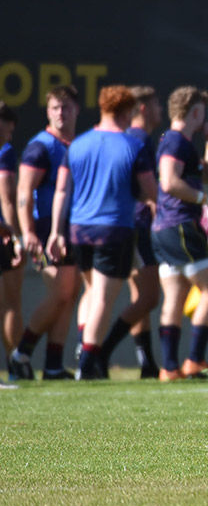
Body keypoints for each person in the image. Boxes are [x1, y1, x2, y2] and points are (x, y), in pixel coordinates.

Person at [48, 85, 157, 380]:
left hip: (79, 229)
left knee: (92, 292)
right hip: (113, 229)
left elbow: (62, 191)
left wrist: (56, 231)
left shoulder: (78, 144)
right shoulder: (132, 146)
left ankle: (84, 351)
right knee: (103, 300)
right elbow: (150, 191)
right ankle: (88, 365)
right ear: (127, 112)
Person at [151, 86, 208, 380]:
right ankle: (194, 361)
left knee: (176, 295)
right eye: (202, 112)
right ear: (196, 112)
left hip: (166, 227)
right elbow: (169, 182)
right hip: (180, 225)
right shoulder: (174, 141)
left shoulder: (182, 142)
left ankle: (170, 368)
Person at [11, 85, 81, 380]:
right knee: (59, 292)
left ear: (76, 109)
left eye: (66, 107)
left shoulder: (76, 145)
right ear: (47, 112)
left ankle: (53, 365)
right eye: (55, 108)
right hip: (43, 232)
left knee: (69, 294)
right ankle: (20, 354)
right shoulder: (40, 146)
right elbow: (24, 192)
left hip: (69, 231)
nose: (61, 113)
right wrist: (28, 232)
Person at [96, 85, 162, 377]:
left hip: (127, 223)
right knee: (149, 297)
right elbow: (148, 190)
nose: (161, 111)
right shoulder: (139, 139)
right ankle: (101, 352)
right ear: (143, 108)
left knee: (140, 297)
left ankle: (146, 362)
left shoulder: (130, 138)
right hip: (138, 224)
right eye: (157, 105)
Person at [0, 103, 24, 379]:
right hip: (3, 235)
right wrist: (15, 238)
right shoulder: (5, 151)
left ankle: (15, 367)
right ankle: (15, 367)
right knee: (9, 303)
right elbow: (6, 198)